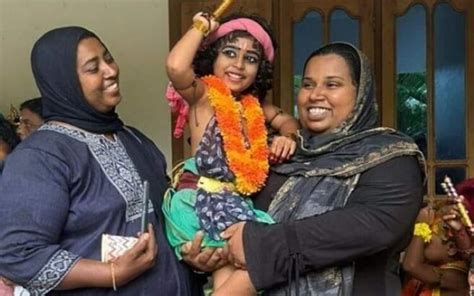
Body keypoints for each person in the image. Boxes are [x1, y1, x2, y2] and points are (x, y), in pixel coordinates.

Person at [0, 26, 201, 295]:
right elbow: (18, 255)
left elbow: (165, 221)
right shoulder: (40, 157)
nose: (110, 70)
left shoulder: (133, 138)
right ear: (64, 82)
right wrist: (111, 274)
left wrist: (192, 253)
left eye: (108, 58)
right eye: (93, 68)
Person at [219, 42, 426, 295]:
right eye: (308, 84)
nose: (316, 94)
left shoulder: (391, 157)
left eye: (332, 84)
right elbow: (235, 217)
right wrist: (210, 252)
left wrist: (258, 244)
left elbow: (370, 226)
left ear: (360, 92)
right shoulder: (282, 154)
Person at [164, 12, 299, 295]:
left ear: (259, 69)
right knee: (261, 258)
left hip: (233, 203)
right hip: (200, 202)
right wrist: (201, 27)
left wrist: (287, 137)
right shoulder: (203, 95)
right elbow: (176, 67)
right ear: (212, 56)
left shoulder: (255, 107)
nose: (238, 64)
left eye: (250, 59)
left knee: (232, 275)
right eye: (229, 53)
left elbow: (288, 121)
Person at [402, 206, 469, 296]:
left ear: (451, 248)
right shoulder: (432, 266)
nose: (421, 243)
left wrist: (421, 225)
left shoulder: (455, 276)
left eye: (426, 235)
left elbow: (411, 266)